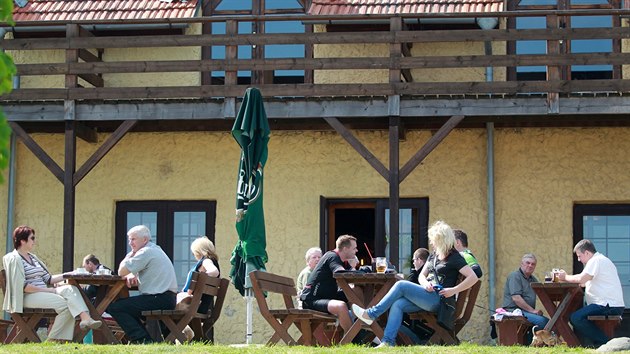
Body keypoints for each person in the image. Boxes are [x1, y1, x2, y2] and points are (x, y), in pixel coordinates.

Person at [352, 221, 478, 348]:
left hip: (440, 301)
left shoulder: (455, 258)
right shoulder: (434, 256)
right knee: (398, 304)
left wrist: (453, 290)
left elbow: (473, 277)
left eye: (433, 239)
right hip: (428, 296)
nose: (431, 242)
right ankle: (387, 342)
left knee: (401, 285)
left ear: (441, 239)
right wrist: (425, 284)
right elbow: (422, 276)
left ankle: (371, 314)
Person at [2, 226, 102, 342]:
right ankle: (54, 339)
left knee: (70, 288)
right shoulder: (13, 258)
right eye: (32, 238)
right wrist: (49, 290)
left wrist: (69, 274)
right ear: (22, 241)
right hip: (26, 296)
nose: (34, 241)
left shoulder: (33, 258)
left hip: (42, 293)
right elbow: (23, 287)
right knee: (67, 305)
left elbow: (48, 279)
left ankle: (85, 318)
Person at [106, 225, 178, 344]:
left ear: (144, 240)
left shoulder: (145, 251)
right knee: (126, 307)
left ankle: (142, 340)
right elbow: (135, 271)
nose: (130, 243)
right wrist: (132, 274)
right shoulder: (155, 249)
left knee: (116, 307)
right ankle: (143, 339)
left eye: (133, 239)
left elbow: (121, 271)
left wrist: (129, 255)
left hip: (158, 299)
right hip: (166, 299)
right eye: (129, 239)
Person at [557, 239, 625, 347]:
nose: (579, 260)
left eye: (579, 256)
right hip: (608, 304)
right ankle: (602, 343)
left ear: (587, 253)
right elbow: (586, 281)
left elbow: (582, 279)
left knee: (576, 318)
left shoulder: (596, 260)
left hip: (607, 305)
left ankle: (604, 343)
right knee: (576, 316)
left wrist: (565, 277)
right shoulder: (600, 260)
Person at [300, 235, 357, 334]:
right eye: (354, 248)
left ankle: (359, 322)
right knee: (341, 306)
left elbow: (351, 274)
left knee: (357, 290)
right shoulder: (332, 256)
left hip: (329, 297)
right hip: (312, 300)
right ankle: (352, 338)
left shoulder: (344, 261)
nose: (356, 251)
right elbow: (340, 273)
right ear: (345, 249)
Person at [502, 253, 549, 331]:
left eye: (533, 264)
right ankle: (534, 342)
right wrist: (532, 311)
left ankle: (532, 342)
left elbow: (542, 293)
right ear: (522, 264)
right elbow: (516, 298)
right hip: (514, 311)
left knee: (548, 322)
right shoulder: (515, 276)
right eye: (528, 263)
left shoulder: (533, 279)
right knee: (543, 322)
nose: (530, 265)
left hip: (526, 312)